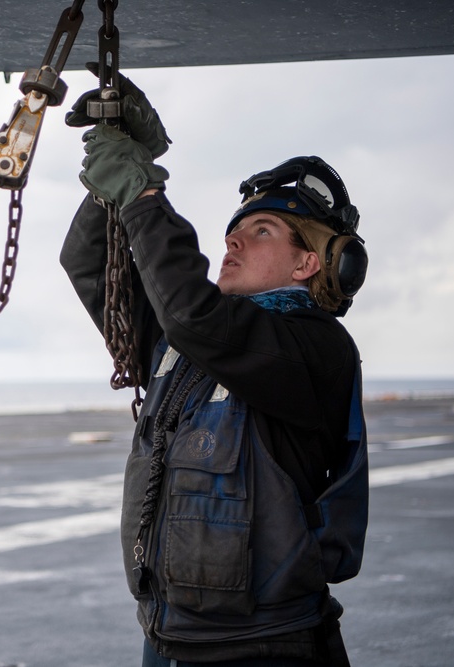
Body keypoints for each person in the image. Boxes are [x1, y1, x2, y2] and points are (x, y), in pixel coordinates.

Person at [59, 73, 370, 666]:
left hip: (266, 646)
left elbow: (190, 314)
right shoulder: (192, 346)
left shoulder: (316, 348)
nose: (233, 242)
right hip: (171, 637)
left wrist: (144, 192)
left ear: (309, 262)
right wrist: (115, 180)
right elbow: (93, 268)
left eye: (260, 231)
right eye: (231, 231)